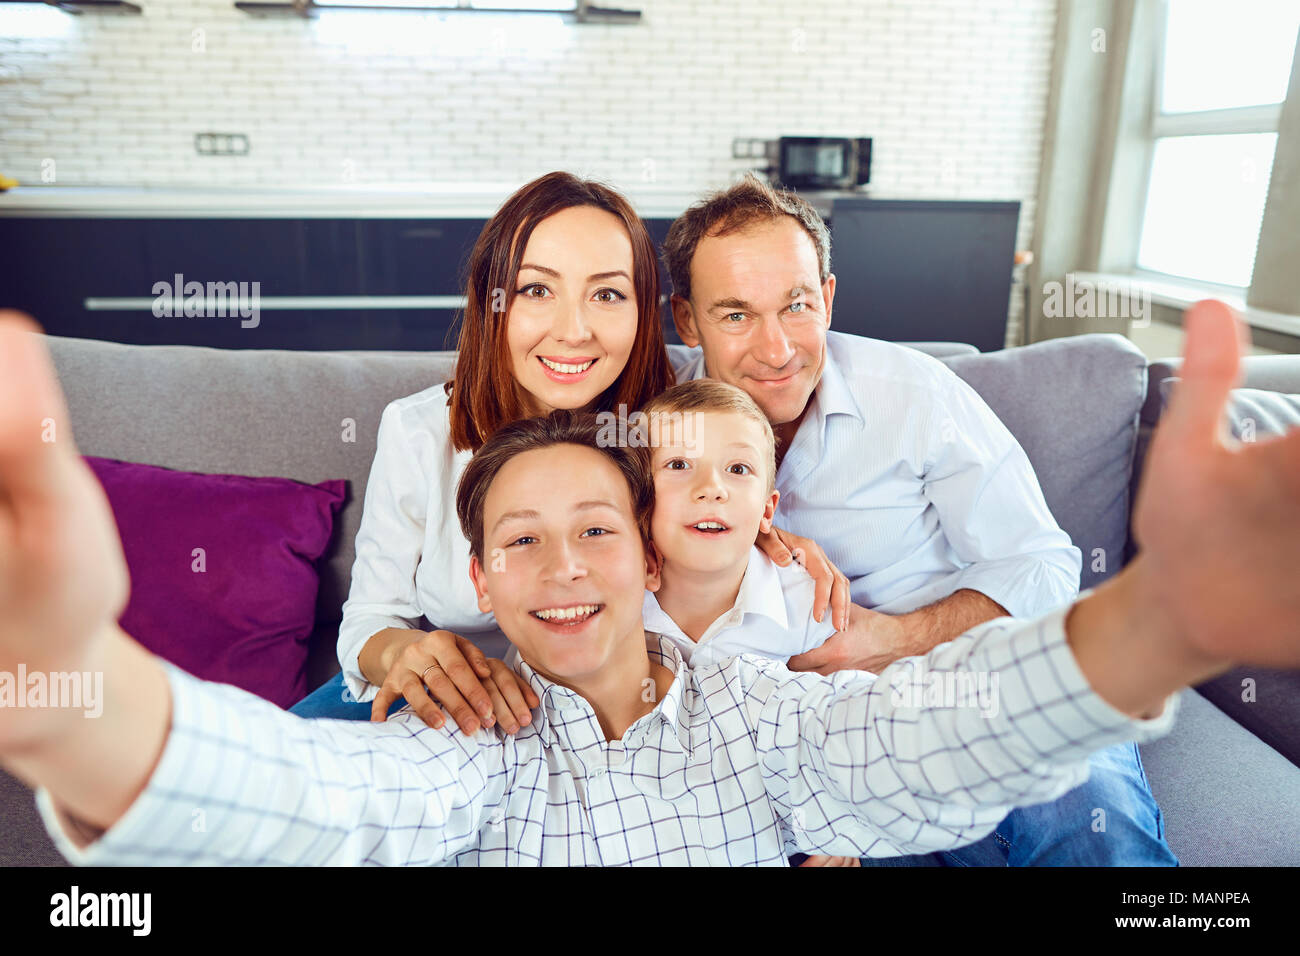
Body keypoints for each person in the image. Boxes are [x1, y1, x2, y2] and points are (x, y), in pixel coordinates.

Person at [6, 298, 1293, 866]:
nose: (563, 566)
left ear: (649, 540)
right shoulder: (475, 737)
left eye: (592, 531)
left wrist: (1161, 618)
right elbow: (320, 800)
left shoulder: (761, 703)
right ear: (477, 579)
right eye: (520, 541)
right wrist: (81, 709)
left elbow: (936, 738)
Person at [661, 174, 1169, 864]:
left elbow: (1042, 564)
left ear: (829, 298)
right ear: (687, 320)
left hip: (964, 676)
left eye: (797, 306)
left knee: (1085, 813)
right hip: (807, 735)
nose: (776, 349)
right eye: (735, 315)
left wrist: (894, 639)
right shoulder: (651, 426)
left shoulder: (915, 394)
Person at [290, 171, 848, 736]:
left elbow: (738, 462)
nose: (574, 331)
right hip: (456, 705)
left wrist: (769, 540)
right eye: (537, 290)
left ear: (642, 310)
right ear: (493, 301)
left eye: (607, 294)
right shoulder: (418, 431)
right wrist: (408, 654)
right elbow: (367, 621)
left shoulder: (673, 420)